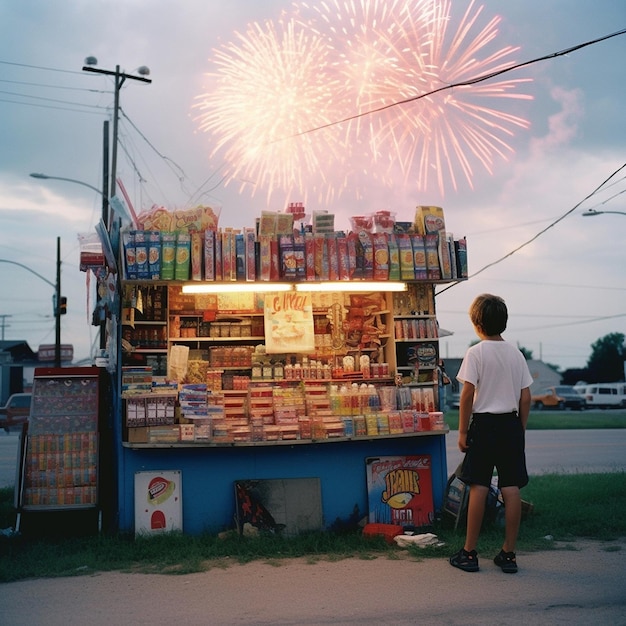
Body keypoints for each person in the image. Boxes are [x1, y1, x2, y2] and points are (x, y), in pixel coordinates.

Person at [449, 294, 533, 574]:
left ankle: (469, 553)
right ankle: (508, 554)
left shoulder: (476, 352)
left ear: (476, 323)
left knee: (479, 486)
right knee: (510, 488)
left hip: (484, 426)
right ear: (504, 322)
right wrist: (519, 428)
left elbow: (467, 395)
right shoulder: (516, 354)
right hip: (510, 424)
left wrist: (462, 431)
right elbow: (525, 397)